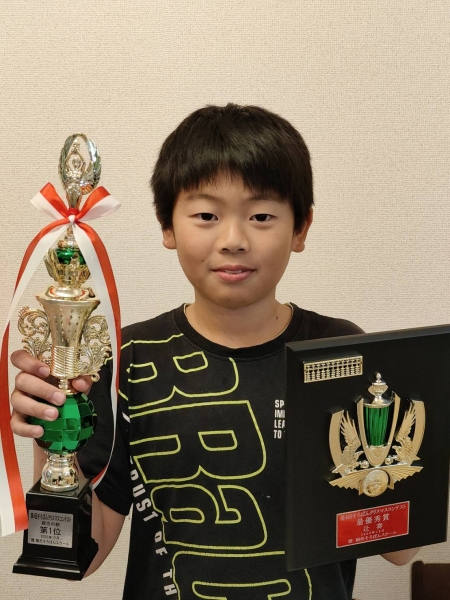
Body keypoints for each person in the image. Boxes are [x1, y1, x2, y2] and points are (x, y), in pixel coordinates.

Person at [10, 104, 419, 599]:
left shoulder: (341, 353)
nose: (233, 240)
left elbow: (400, 550)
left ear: (301, 228)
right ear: (167, 225)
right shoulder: (128, 360)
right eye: (206, 215)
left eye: (262, 216)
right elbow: (85, 555)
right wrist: (51, 428)